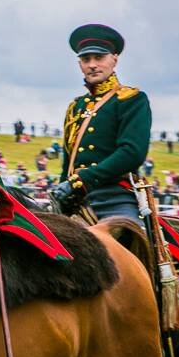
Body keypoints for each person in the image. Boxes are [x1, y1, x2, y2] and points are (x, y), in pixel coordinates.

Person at [51, 24, 151, 221]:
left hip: (115, 197)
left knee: (132, 239)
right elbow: (68, 163)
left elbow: (132, 153)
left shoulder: (131, 99)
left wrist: (81, 180)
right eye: (86, 59)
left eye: (99, 58)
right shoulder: (76, 107)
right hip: (75, 199)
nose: (92, 65)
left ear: (114, 59)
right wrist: (63, 187)